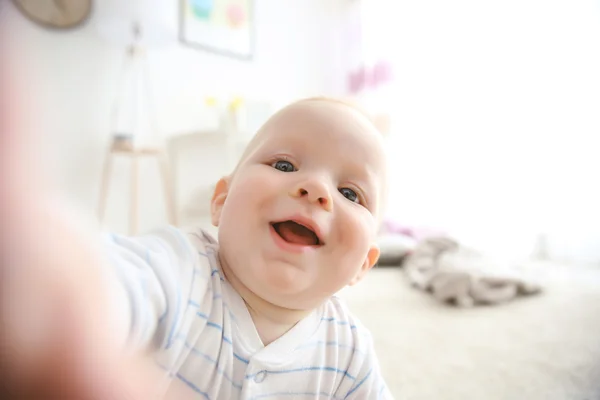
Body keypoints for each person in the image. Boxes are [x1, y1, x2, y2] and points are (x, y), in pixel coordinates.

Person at [1, 88, 393, 397]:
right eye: (285, 165)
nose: (316, 188)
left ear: (363, 264)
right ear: (221, 201)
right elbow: (113, 283)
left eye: (351, 193)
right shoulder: (178, 269)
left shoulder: (349, 354)